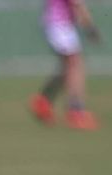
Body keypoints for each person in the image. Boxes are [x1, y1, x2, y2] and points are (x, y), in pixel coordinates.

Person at [31, 0, 100, 129]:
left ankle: (42, 101)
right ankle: (76, 111)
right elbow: (77, 4)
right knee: (75, 64)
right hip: (59, 24)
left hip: (56, 23)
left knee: (68, 67)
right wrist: (90, 27)